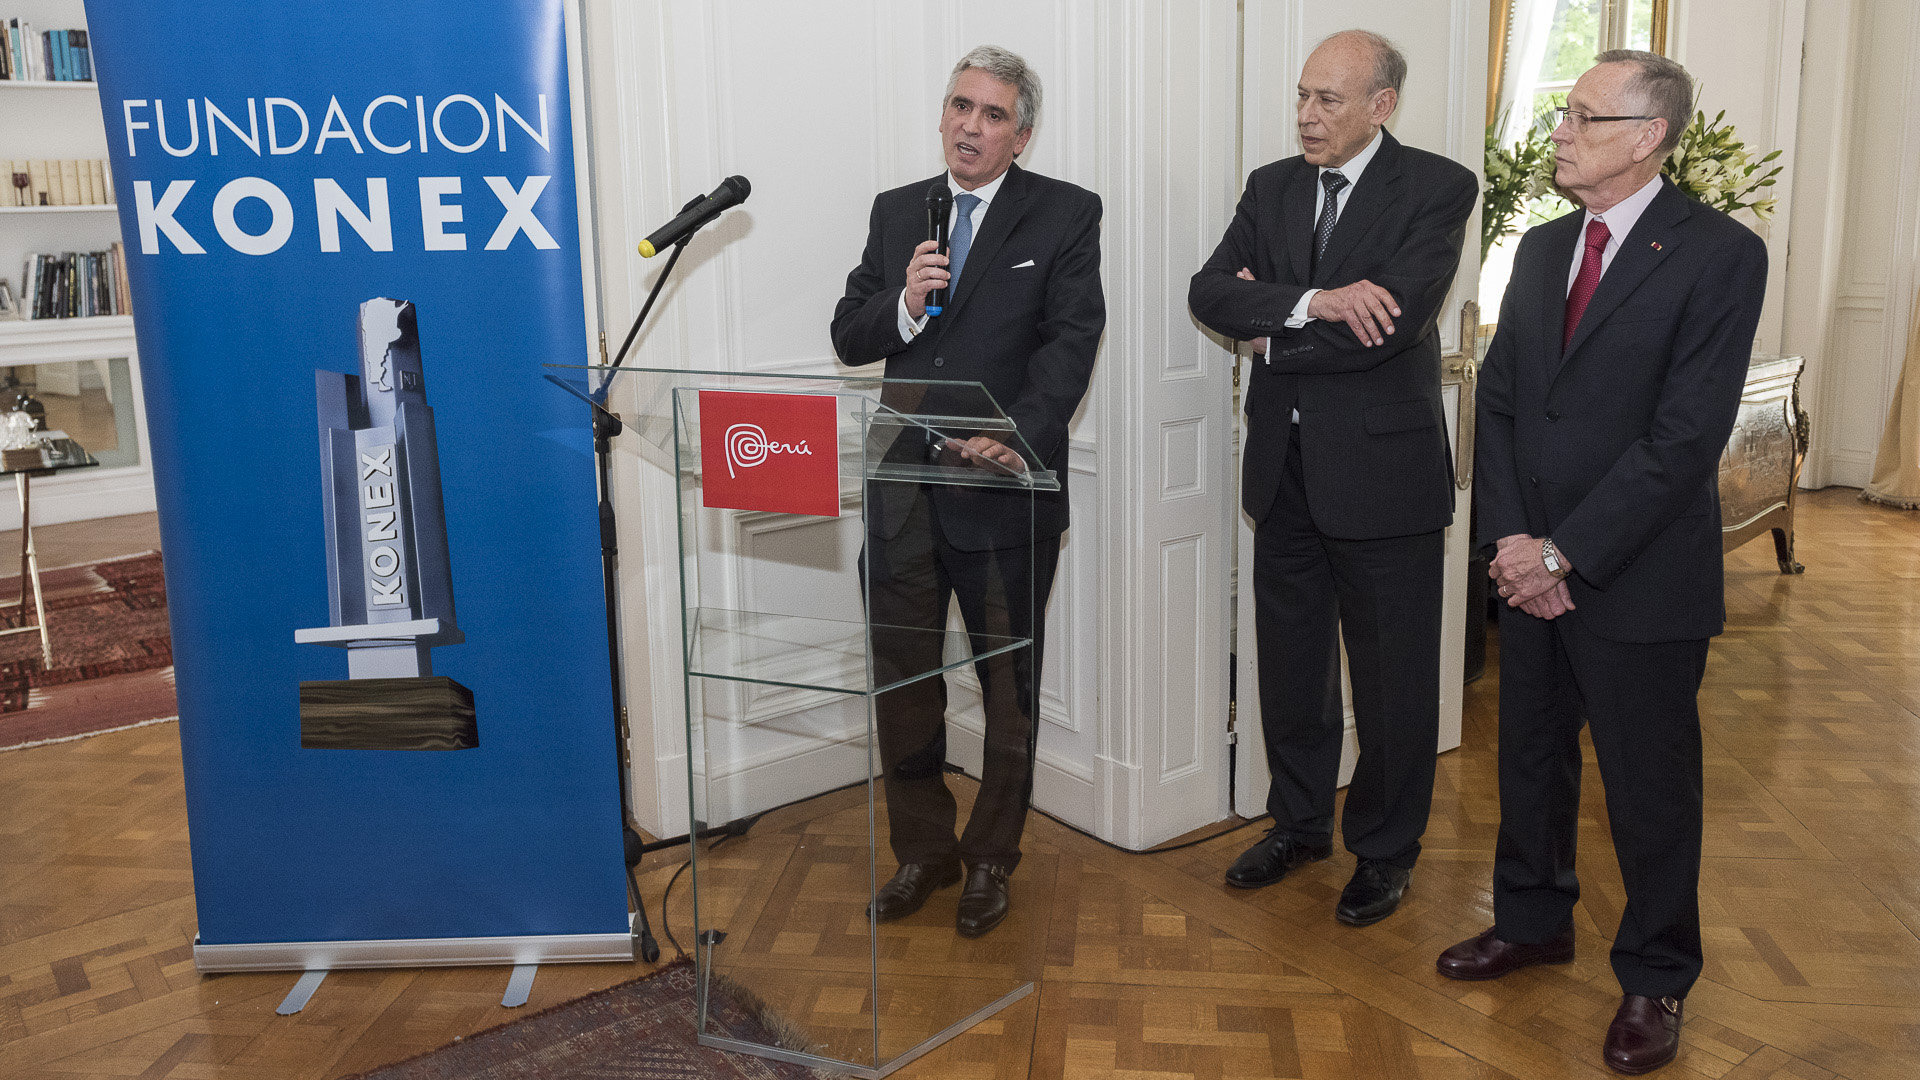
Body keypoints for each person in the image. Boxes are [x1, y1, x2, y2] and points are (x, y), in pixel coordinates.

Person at [1437, 51, 1767, 1076]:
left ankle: (1658, 974)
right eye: (1564, 113)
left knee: (1649, 788)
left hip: (1639, 580)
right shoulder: (1539, 251)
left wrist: (1567, 551)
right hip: (1529, 566)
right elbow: (1501, 403)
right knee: (1529, 761)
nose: (1561, 132)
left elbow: (1683, 438)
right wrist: (1509, 543)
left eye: (1584, 116)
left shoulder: (1720, 255)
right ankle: (1533, 920)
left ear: (1647, 136)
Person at [1187, 29, 1475, 926]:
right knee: (1293, 668)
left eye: (1329, 101)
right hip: (1284, 473)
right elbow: (1207, 293)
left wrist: (1268, 329)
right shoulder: (1271, 186)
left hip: (1385, 478)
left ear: (1380, 105)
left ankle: (1386, 851)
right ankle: (1299, 824)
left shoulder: (1437, 186)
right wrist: (1314, 302)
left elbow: (1385, 328)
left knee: (1392, 684)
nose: (1307, 116)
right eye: (1303, 97)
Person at [830, 45, 1103, 938]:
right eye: (959, 106)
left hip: (999, 493)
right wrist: (905, 305)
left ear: (1021, 133)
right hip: (902, 488)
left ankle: (991, 860)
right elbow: (849, 333)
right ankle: (924, 853)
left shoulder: (1065, 214)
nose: (969, 127)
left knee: (1007, 689)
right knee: (904, 680)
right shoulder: (898, 211)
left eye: (990, 114)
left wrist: (1014, 435)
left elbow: (1071, 342)